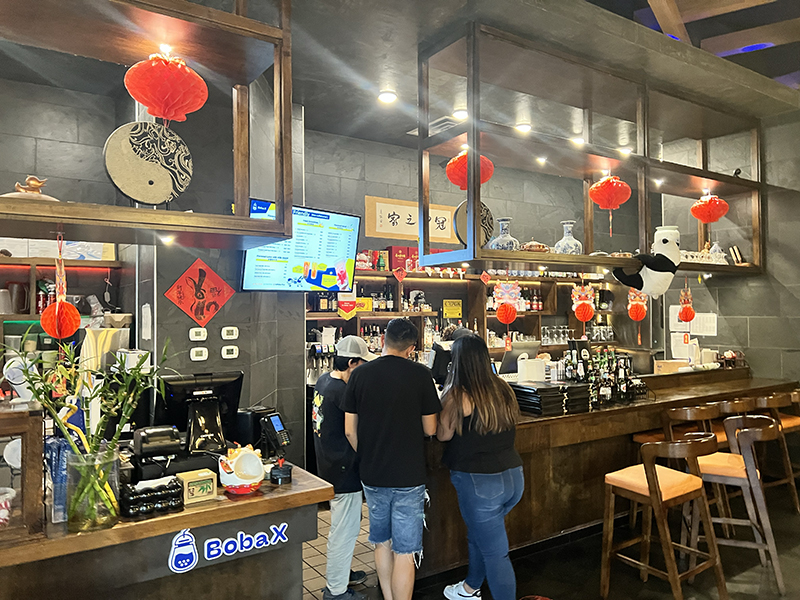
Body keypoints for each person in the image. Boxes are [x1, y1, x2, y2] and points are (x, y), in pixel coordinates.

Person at [343, 318, 440, 600]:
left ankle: (387, 596)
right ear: (411, 348)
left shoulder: (360, 374)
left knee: (381, 541)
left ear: (383, 339)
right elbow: (430, 429)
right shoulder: (420, 375)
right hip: (409, 475)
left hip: (372, 474)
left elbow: (349, 430)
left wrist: (368, 454)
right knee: (405, 551)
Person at [437, 334, 524, 600]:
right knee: (479, 535)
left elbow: (443, 434)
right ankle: (470, 588)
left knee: (496, 555)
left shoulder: (457, 395)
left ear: (457, 362)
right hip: (513, 477)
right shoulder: (502, 388)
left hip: (481, 483)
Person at [312, 336, 376, 600]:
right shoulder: (343, 392)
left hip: (328, 463)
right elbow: (352, 433)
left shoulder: (323, 382)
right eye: (361, 364)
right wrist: (367, 457)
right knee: (344, 530)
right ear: (351, 363)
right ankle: (336, 591)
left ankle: (341, 574)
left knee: (344, 525)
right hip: (344, 468)